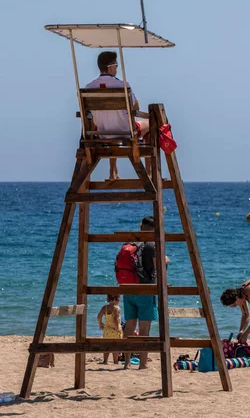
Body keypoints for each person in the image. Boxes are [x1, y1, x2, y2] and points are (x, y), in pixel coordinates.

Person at [85, 51, 150, 181]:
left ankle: (113, 172)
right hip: (126, 132)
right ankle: (149, 172)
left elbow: (89, 114)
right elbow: (135, 107)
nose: (117, 68)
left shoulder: (89, 88)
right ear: (111, 67)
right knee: (151, 123)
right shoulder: (123, 86)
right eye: (116, 65)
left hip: (103, 133)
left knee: (110, 125)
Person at [122, 216, 169, 370]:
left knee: (129, 327)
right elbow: (158, 268)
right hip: (145, 290)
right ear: (155, 228)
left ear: (141, 227)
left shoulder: (132, 243)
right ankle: (142, 364)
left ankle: (127, 363)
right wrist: (166, 262)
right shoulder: (152, 245)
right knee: (144, 329)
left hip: (129, 289)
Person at [97, 294, 123, 364]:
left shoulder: (105, 307)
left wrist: (100, 324)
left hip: (107, 330)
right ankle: (115, 361)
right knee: (115, 347)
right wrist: (117, 329)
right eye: (119, 298)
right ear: (116, 299)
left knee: (106, 346)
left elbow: (98, 317)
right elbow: (115, 320)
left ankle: (105, 361)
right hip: (114, 330)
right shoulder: (116, 308)